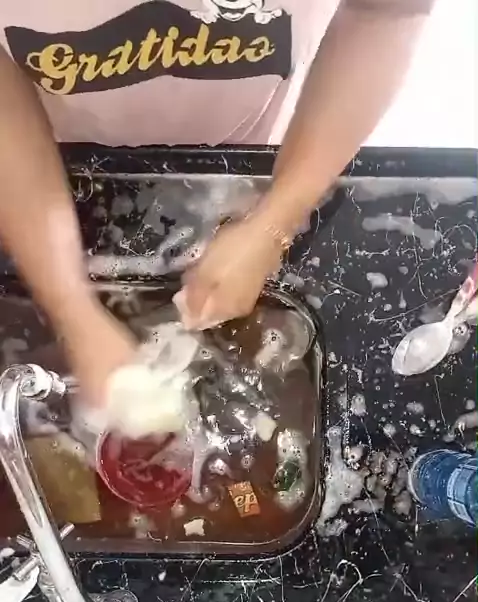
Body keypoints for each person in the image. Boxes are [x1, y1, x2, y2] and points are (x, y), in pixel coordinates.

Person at [0, 0, 435, 409]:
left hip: (250, 148)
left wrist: (276, 219)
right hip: (47, 158)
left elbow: (386, 13)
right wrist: (70, 307)